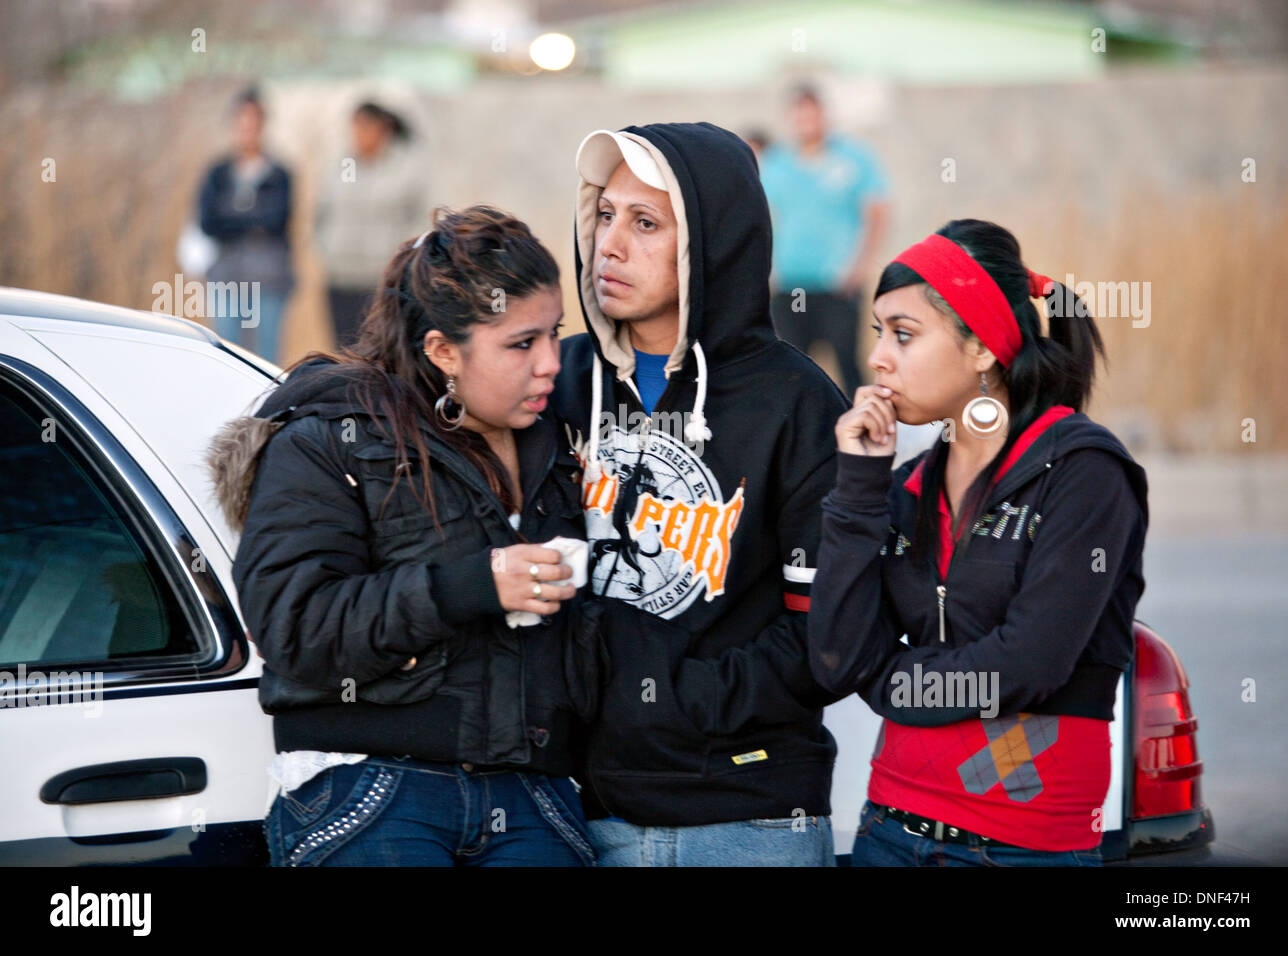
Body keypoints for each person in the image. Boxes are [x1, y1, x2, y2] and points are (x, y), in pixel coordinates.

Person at [206, 206, 602, 866]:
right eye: (521, 344)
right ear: (443, 350)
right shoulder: (330, 438)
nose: (551, 364)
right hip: (371, 786)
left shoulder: (563, 440)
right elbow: (293, 625)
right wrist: (473, 585)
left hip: (535, 795)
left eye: (555, 334)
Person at [551, 122, 849, 866]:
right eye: (605, 215)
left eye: (645, 223)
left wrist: (672, 699)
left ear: (712, 245)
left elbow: (828, 637)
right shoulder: (553, 381)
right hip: (578, 813)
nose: (608, 245)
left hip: (747, 819)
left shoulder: (797, 402)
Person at [807, 219, 1148, 866]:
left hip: (1021, 846)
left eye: (903, 335)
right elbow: (834, 660)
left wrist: (890, 687)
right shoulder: (906, 486)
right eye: (879, 332)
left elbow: (1030, 664)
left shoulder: (1082, 473)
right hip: (888, 829)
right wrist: (857, 488)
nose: (878, 356)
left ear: (983, 349)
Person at [761, 84, 891, 396]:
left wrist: (858, 268)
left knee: (849, 366)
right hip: (791, 287)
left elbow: (876, 213)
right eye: (799, 116)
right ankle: (796, 437)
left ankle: (862, 434)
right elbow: (763, 215)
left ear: (824, 116)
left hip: (838, 286)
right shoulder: (777, 163)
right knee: (790, 367)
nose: (806, 122)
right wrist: (769, 269)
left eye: (812, 115)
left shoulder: (853, 159)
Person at [315, 100, 430, 350]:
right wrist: (328, 249)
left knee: (378, 349)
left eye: (366, 127)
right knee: (342, 349)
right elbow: (322, 212)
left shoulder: (405, 166)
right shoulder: (342, 164)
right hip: (340, 275)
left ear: (383, 129)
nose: (359, 134)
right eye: (355, 127)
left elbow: (422, 217)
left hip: (381, 278)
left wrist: (400, 258)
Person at [197, 86, 295, 363]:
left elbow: (278, 222)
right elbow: (207, 223)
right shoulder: (217, 172)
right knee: (225, 357)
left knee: (266, 362)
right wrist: (254, 221)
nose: (247, 129)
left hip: (269, 280)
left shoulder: (280, 174)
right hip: (226, 278)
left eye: (253, 122)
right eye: (242, 122)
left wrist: (233, 219)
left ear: (263, 125)